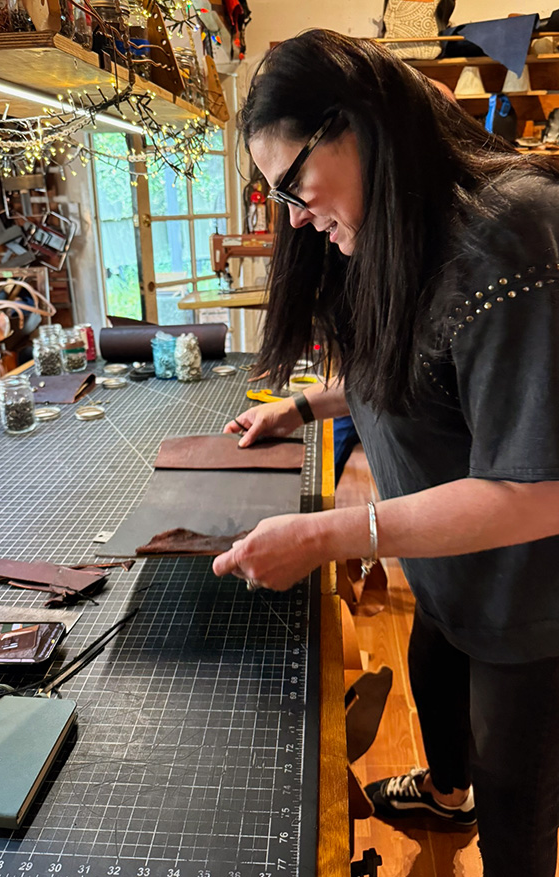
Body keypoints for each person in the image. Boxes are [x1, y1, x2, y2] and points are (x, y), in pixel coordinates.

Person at [211, 29, 559, 877]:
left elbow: (538, 488)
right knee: (433, 672)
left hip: (527, 600)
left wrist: (332, 534)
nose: (294, 215)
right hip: (446, 563)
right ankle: (446, 793)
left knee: (518, 801)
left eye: (294, 183)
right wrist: (302, 405)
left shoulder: (511, 239)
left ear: (359, 126)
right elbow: (418, 369)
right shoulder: (405, 227)